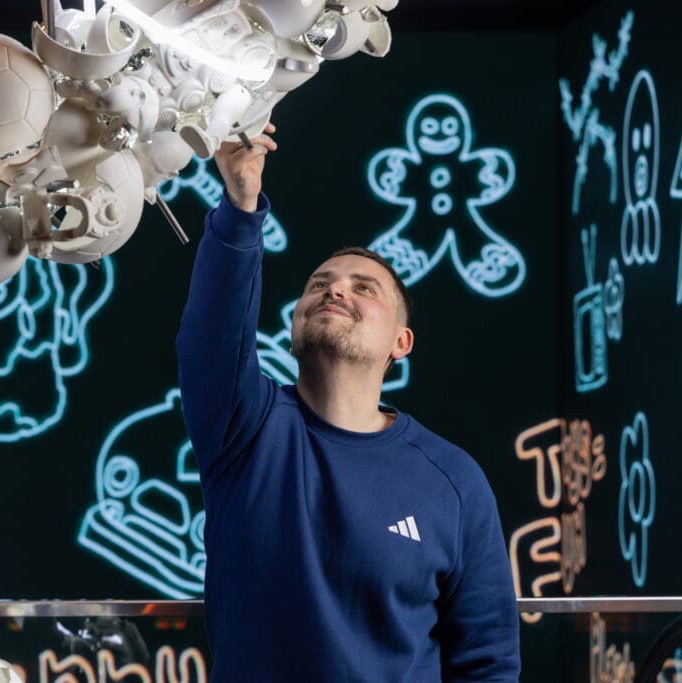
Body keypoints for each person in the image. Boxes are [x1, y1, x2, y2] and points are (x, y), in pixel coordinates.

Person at [175, 123, 521, 682]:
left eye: (365, 288)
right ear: (291, 329)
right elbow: (211, 335)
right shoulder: (246, 431)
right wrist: (241, 202)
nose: (335, 290)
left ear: (400, 344)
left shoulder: (454, 480)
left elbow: (488, 662)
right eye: (319, 284)